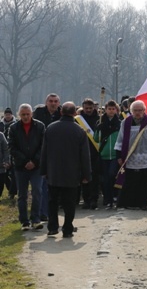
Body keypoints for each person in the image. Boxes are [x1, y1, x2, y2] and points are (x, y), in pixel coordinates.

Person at [40, 102, 91, 238]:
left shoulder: (50, 128)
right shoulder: (79, 131)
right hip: (72, 173)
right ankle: (67, 228)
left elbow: (44, 152)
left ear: (61, 112)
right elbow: (85, 156)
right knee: (69, 202)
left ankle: (52, 227)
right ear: (75, 113)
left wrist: (43, 170)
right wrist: (87, 175)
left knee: (53, 201)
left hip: (53, 172)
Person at [114, 100, 147, 210]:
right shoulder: (125, 122)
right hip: (130, 157)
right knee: (131, 182)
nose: (138, 112)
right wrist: (119, 156)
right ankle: (130, 203)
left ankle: (143, 203)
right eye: (135, 110)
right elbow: (120, 139)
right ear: (131, 111)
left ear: (144, 110)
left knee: (145, 183)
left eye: (140, 110)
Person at [8, 104, 46, 230]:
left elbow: (43, 145)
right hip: (20, 166)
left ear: (32, 114)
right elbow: (12, 147)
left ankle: (35, 219)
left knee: (37, 191)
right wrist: (25, 161)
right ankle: (24, 221)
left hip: (36, 166)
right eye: (23, 114)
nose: (25, 117)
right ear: (19, 115)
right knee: (22, 195)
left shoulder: (40, 126)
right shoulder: (14, 128)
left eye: (27, 114)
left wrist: (34, 161)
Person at [32, 93, 62, 222]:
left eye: (56, 101)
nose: (53, 103)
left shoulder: (61, 114)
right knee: (42, 185)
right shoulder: (39, 114)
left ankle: (54, 209)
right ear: (46, 102)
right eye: (51, 101)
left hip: (58, 154)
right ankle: (43, 212)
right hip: (42, 152)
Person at [94, 100, 121, 209]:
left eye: (113, 109)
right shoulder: (100, 122)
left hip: (114, 154)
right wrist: (98, 130)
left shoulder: (119, 123)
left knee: (112, 175)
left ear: (116, 110)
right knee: (105, 178)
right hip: (104, 154)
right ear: (105, 109)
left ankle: (115, 196)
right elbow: (96, 139)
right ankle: (107, 198)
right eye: (109, 109)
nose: (111, 111)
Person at [76, 98, 101, 210]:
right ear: (83, 108)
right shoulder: (78, 120)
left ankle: (94, 199)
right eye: (86, 108)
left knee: (95, 177)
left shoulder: (99, 119)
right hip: (82, 152)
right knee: (84, 177)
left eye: (90, 108)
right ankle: (86, 200)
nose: (89, 110)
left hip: (95, 152)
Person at [0, 131, 9, 200]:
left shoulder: (1, 135)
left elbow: (6, 149)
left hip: (1, 166)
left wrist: (6, 161)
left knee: (1, 183)